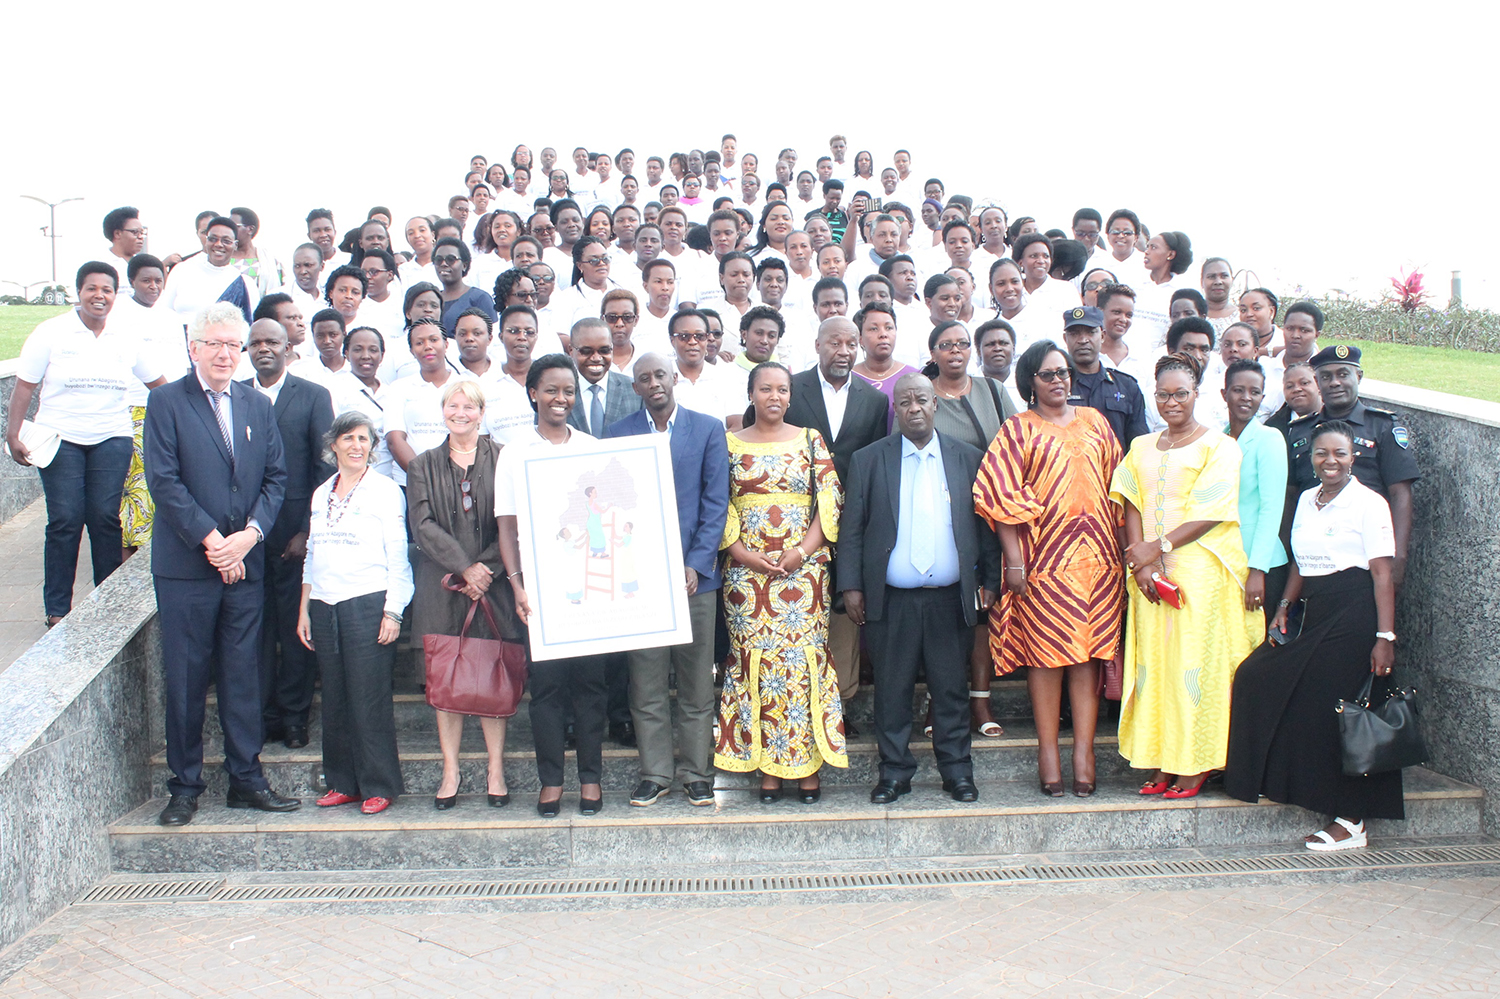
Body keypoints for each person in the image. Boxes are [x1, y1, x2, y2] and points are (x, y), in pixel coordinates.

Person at [142, 302, 297, 827]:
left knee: (244, 676)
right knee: (187, 679)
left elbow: (276, 478)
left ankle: (246, 780)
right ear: (194, 348)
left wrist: (249, 538)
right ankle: (185, 787)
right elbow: (164, 481)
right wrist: (215, 543)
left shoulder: (256, 404)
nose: (227, 354)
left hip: (245, 565)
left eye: (235, 345)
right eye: (216, 344)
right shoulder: (166, 401)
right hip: (188, 567)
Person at [1226, 420, 1403, 851]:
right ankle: (1275, 778)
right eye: (1322, 453)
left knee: (1341, 712)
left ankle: (1352, 820)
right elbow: (1301, 564)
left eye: (1339, 453)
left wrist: (1385, 636)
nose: (1330, 461)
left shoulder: (1370, 503)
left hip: (1355, 611)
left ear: (1353, 457)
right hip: (1315, 608)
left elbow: (1382, 574)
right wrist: (1284, 607)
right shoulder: (1308, 498)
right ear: (1311, 457)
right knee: (1256, 676)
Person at [974, 341, 1125, 796]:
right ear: (1030, 382)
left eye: (1063, 372)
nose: (1058, 380)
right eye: (1047, 374)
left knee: (1087, 656)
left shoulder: (1096, 422)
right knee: (1046, 656)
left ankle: (1084, 752)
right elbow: (997, 495)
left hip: (1098, 563)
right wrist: (1015, 561)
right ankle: (1048, 752)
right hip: (1042, 563)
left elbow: (1121, 490)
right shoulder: (1017, 429)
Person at [1109, 352, 1263, 799]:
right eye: (1163, 395)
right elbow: (1130, 500)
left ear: (1197, 393)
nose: (1171, 402)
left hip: (1197, 572)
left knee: (1193, 667)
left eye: (1180, 394)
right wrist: (1140, 563)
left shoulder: (1220, 446)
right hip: (1148, 576)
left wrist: (1156, 549)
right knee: (1154, 665)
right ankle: (1161, 757)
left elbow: (1211, 512)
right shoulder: (1141, 446)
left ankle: (1194, 763)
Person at [842, 372, 1001, 804]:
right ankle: (894, 773)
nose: (913, 408)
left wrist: (990, 579)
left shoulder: (968, 458)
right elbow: (852, 528)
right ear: (896, 409)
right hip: (891, 599)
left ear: (935, 405)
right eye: (905, 402)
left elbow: (985, 526)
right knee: (891, 691)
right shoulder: (869, 460)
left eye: (921, 400)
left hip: (950, 598)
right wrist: (851, 585)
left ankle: (957, 772)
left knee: (950, 689)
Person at [716, 362, 848, 802]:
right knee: (755, 664)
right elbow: (719, 503)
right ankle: (766, 770)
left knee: (800, 663)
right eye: (765, 389)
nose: (774, 397)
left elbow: (829, 500)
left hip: (803, 577)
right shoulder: (728, 444)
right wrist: (742, 554)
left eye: (782, 390)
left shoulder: (811, 439)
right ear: (750, 394)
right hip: (746, 578)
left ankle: (808, 769)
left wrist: (801, 552)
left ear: (791, 396)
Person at [604, 352, 731, 807]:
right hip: (641, 583)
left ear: (674, 377)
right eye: (644, 378)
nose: (654, 382)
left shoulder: (708, 428)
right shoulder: (617, 434)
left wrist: (696, 563)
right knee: (647, 684)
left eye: (660, 374)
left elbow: (716, 503)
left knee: (696, 685)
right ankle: (655, 773)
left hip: (695, 579)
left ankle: (697, 774)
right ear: (635, 388)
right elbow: (613, 507)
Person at [8, 262, 167, 624]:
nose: (99, 296)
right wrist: (13, 433)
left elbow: (159, 385)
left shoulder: (126, 336)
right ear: (78, 292)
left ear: (115, 295)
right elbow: (25, 386)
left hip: (112, 438)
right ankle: (57, 609)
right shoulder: (52, 332)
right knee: (65, 519)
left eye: (106, 290)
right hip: (60, 438)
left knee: (104, 518)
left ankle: (108, 604)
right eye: (91, 289)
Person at [495, 354, 613, 817]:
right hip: (540, 587)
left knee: (591, 684)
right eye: (551, 390)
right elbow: (507, 527)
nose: (560, 398)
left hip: (588, 583)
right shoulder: (515, 451)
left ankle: (590, 778)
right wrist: (517, 585)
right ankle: (551, 781)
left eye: (568, 391)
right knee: (546, 688)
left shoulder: (590, 446)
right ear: (533, 394)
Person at [408, 380, 520, 809]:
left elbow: (514, 520)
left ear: (482, 412)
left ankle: (496, 769)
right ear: (443, 411)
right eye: (452, 405)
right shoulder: (422, 464)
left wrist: (486, 569)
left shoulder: (505, 457)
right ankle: (450, 769)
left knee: (492, 673)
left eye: (469, 406)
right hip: (442, 584)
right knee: (447, 676)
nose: (460, 413)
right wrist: (464, 567)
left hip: (495, 583)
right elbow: (423, 526)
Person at [296, 411, 413, 815]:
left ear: (372, 447)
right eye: (348, 438)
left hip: (368, 601)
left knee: (369, 697)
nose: (356, 446)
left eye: (364, 439)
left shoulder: (385, 490)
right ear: (334, 445)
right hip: (324, 604)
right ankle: (342, 783)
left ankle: (379, 784)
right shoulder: (321, 493)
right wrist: (304, 609)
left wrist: (393, 612)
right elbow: (311, 554)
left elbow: (398, 556)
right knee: (335, 697)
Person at [783, 318, 890, 727]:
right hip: (793, 522)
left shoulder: (874, 400)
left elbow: (874, 461)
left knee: (845, 612)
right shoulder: (791, 389)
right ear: (817, 345)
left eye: (850, 343)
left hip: (850, 523)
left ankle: (839, 705)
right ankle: (796, 699)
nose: (843, 351)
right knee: (797, 608)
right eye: (834, 343)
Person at [241, 319, 334, 749]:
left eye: (272, 342)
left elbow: (325, 468)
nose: (264, 349)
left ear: (287, 348)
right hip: (244, 537)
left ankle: (295, 717)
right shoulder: (234, 395)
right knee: (254, 631)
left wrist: (306, 530)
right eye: (256, 342)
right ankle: (262, 716)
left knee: (295, 630)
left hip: (294, 534)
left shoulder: (313, 396)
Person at [1285, 345, 1419, 589]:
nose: (1335, 382)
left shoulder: (1382, 426)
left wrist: (1398, 555)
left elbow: (1400, 493)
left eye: (1343, 374)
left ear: (1359, 376)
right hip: (1311, 557)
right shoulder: (1300, 432)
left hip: (1365, 555)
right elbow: (1291, 495)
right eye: (1326, 377)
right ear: (1317, 382)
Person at [1222, 359, 1289, 622]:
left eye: (1255, 392)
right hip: (1226, 557)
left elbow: (1271, 507)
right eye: (1238, 390)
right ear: (1224, 394)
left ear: (1263, 397)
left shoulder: (1269, 438)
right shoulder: (1217, 439)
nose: (1246, 398)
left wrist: (1257, 569)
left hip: (1261, 563)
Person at [1062, 306, 1148, 452]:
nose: (1083, 340)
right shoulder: (1056, 386)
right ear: (1065, 339)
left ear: (1102, 336)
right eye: (1074, 333)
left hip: (1117, 466)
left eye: (1090, 332)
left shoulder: (1127, 386)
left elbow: (1138, 444)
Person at [923, 320, 1017, 453]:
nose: (955, 350)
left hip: (989, 466)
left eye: (962, 344)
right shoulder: (921, 395)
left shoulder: (993, 389)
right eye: (946, 345)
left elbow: (1020, 437)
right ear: (933, 354)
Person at [567, 317, 642, 435]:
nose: (596, 358)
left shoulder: (635, 391)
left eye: (604, 350)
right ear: (571, 351)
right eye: (586, 351)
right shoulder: (558, 394)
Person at [851, 303, 918, 427]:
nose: (883, 334)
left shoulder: (913, 377)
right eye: (874, 329)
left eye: (889, 328)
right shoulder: (848, 378)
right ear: (860, 339)